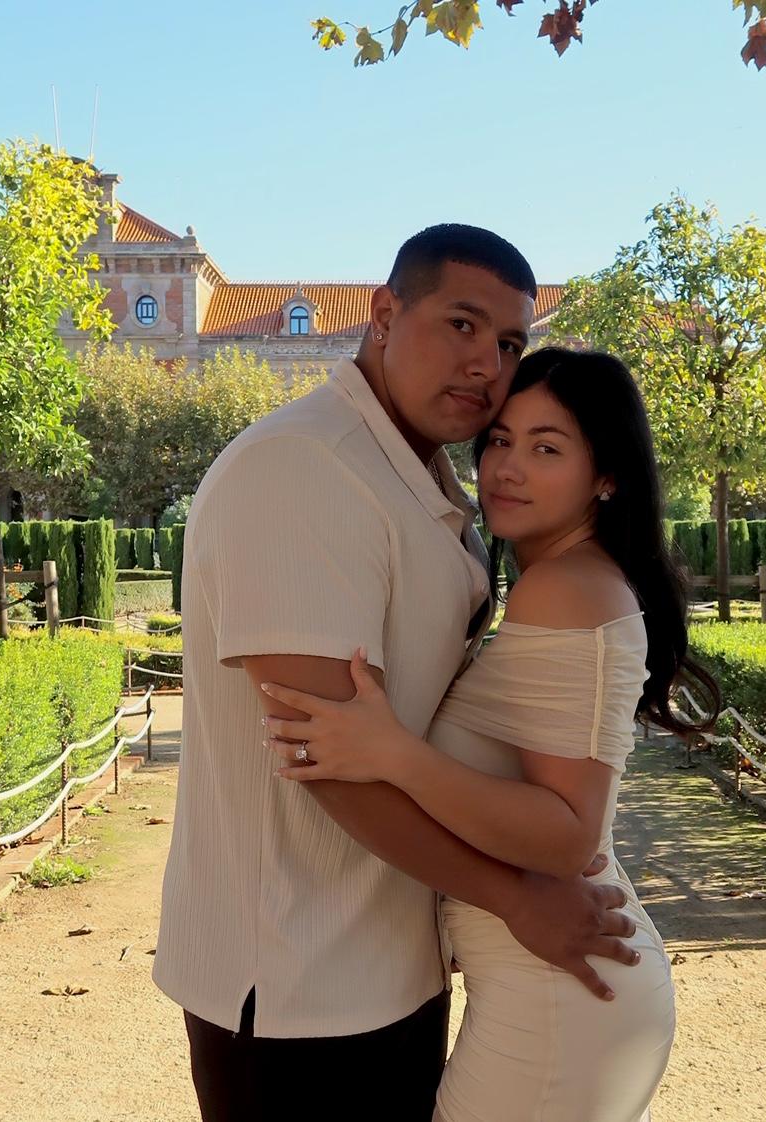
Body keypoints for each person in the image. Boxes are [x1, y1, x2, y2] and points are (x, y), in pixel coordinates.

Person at [153, 228, 641, 1122]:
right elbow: (324, 760)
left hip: (391, 963)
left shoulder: (416, 477)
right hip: (298, 985)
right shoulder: (304, 467)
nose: (486, 364)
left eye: (508, 342)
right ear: (383, 314)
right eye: (462, 324)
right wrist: (516, 898)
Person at [264, 347, 722, 1121]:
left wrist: (394, 754)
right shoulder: (562, 582)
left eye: (547, 448)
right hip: (565, 984)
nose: (508, 468)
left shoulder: (566, 590)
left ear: (607, 477)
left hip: (559, 999)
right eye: (501, 440)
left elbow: (569, 837)